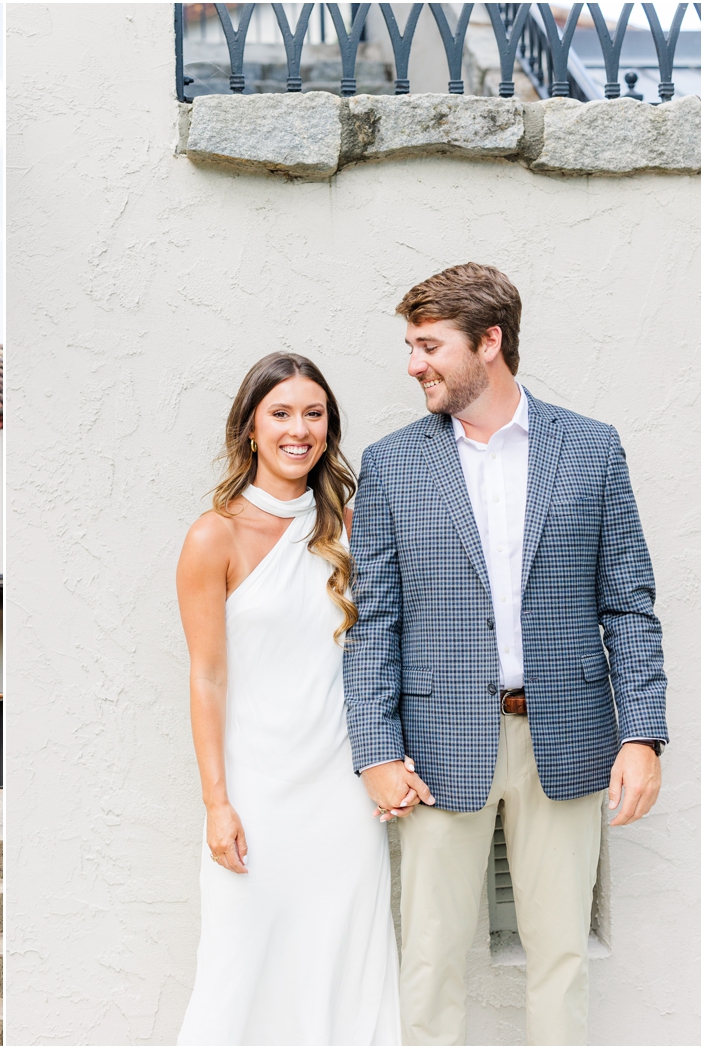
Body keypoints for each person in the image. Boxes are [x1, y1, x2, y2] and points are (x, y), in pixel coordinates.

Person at [344, 263, 667, 1046]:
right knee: (431, 961)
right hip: (434, 748)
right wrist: (376, 748)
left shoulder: (591, 449)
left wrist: (643, 734)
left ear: (489, 342)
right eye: (412, 345)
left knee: (560, 957)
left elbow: (628, 601)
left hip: (568, 738)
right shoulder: (393, 464)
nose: (413, 363)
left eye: (429, 345)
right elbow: (373, 622)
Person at [175, 352, 400, 1045]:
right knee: (238, 975)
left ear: (329, 429)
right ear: (249, 427)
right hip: (256, 798)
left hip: (340, 796)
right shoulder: (213, 536)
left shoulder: (354, 530)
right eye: (280, 413)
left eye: (313, 413)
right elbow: (207, 678)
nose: (298, 429)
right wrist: (217, 802)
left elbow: (385, 653)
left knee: (346, 976)